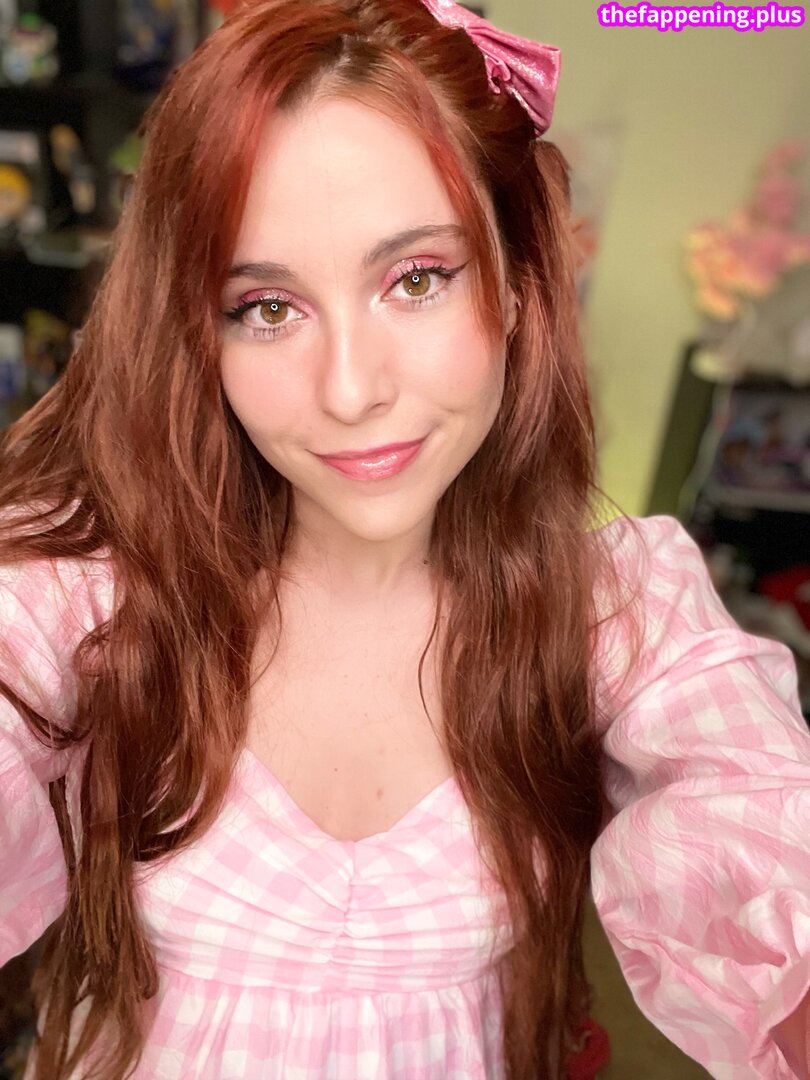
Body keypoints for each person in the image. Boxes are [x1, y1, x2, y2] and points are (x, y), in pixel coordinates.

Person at [0, 1, 808, 1078]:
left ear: (519, 284)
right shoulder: (96, 592)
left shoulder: (616, 608)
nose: (350, 391)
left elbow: (752, 814)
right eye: (266, 307)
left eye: (417, 279)